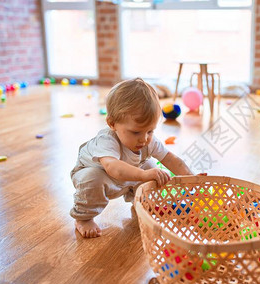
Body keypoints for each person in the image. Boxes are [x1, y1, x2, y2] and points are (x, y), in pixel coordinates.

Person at [70, 78, 193, 238]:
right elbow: (113, 168)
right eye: (136, 132)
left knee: (150, 165)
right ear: (112, 124)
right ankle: (83, 218)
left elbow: (171, 159)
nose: (144, 139)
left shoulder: (147, 140)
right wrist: (144, 175)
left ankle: (141, 202)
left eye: (150, 131)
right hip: (100, 176)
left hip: (128, 177)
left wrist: (193, 179)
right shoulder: (106, 140)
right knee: (93, 177)